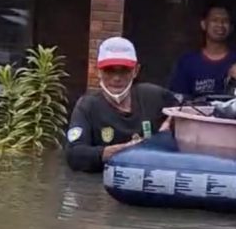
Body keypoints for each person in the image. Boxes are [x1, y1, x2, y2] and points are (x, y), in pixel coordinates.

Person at [65, 37, 177, 172]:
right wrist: (117, 152)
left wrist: (171, 124)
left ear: (135, 71)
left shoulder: (153, 96)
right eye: (109, 70)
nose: (116, 78)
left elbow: (187, 108)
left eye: (123, 70)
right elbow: (74, 154)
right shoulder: (87, 106)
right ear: (98, 71)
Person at [169, 5, 236, 99]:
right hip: (194, 112)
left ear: (231, 28)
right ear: (203, 25)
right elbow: (177, 97)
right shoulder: (187, 61)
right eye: (215, 20)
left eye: (225, 21)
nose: (220, 25)